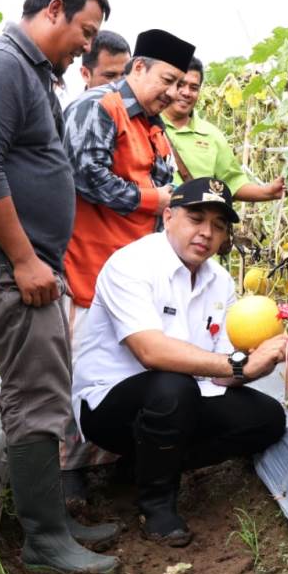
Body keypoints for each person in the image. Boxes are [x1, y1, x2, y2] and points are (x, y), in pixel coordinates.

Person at [0, 0, 120, 574]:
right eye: (84, 33)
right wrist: (22, 258)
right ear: (56, 9)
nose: (85, 48)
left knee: (42, 389)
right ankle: (44, 540)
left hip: (27, 269)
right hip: (4, 272)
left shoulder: (30, 71)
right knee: (35, 395)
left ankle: (54, 525)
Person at [73, 177, 288, 546]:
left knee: (267, 419)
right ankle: (157, 506)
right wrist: (238, 364)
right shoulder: (131, 264)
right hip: (111, 408)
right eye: (196, 218)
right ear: (168, 217)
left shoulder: (219, 281)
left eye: (218, 226)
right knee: (171, 385)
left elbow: (220, 368)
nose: (206, 232)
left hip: (180, 400)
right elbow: (151, 352)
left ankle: (142, 467)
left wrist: (258, 364)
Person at [59, 29, 195, 500]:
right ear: (138, 68)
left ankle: (118, 463)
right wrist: (152, 200)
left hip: (134, 275)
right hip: (88, 269)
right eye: (167, 79)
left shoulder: (153, 127)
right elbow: (82, 175)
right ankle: (67, 476)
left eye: (181, 84)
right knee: (78, 373)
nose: (175, 92)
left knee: (125, 372)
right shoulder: (98, 107)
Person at [163, 57, 285, 201]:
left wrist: (268, 192)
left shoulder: (211, 134)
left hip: (191, 221)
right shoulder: (148, 124)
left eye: (194, 88)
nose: (186, 92)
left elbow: (233, 183)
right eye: (180, 85)